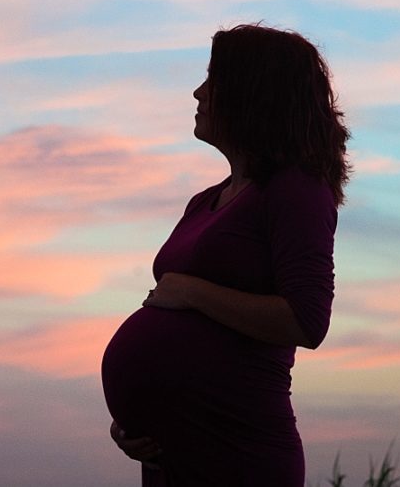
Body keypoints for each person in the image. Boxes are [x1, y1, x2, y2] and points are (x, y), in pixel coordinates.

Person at [101, 24, 350, 486]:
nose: (198, 92)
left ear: (251, 93)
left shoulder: (296, 191)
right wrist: (133, 421)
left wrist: (193, 291)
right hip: (173, 455)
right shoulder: (205, 201)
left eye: (213, 80)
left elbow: (307, 320)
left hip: (238, 451)